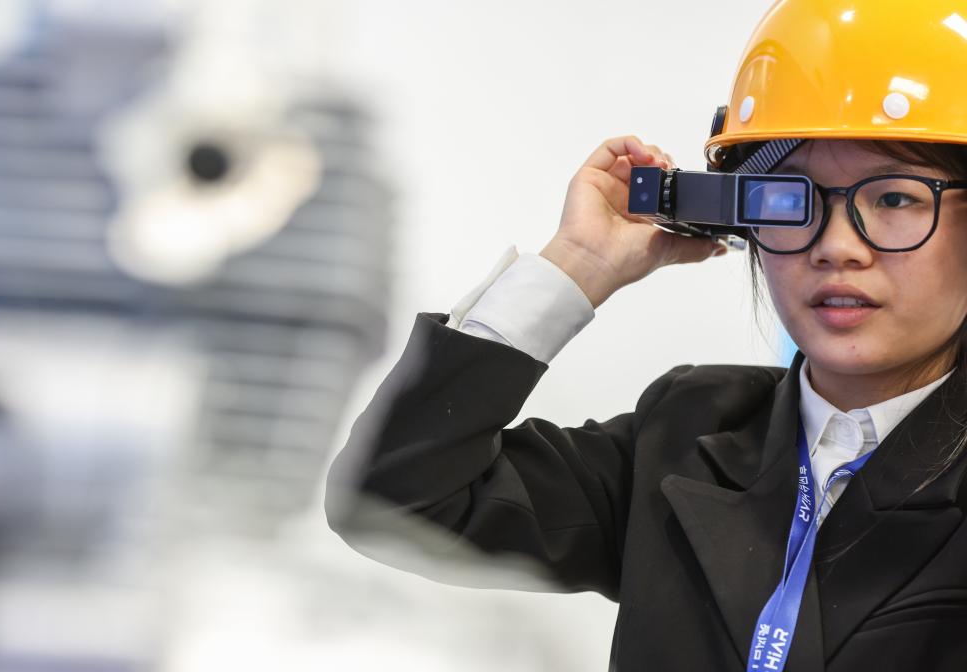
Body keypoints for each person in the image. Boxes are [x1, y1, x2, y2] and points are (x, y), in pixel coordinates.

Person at [325, 1, 967, 669]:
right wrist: (577, 265)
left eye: (895, 199)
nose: (836, 246)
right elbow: (392, 496)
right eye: (787, 198)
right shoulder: (686, 435)